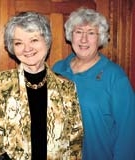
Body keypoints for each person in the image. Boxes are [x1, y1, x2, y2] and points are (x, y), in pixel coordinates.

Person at [0, 11, 83, 160]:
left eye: (34, 40)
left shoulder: (67, 87)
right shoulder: (0, 83)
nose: (27, 48)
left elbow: (75, 143)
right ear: (12, 48)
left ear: (46, 41)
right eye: (18, 43)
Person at [52, 7, 135, 160]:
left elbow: (128, 131)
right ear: (70, 35)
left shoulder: (115, 77)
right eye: (78, 32)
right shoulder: (58, 69)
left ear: (100, 38)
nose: (84, 40)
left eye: (91, 33)